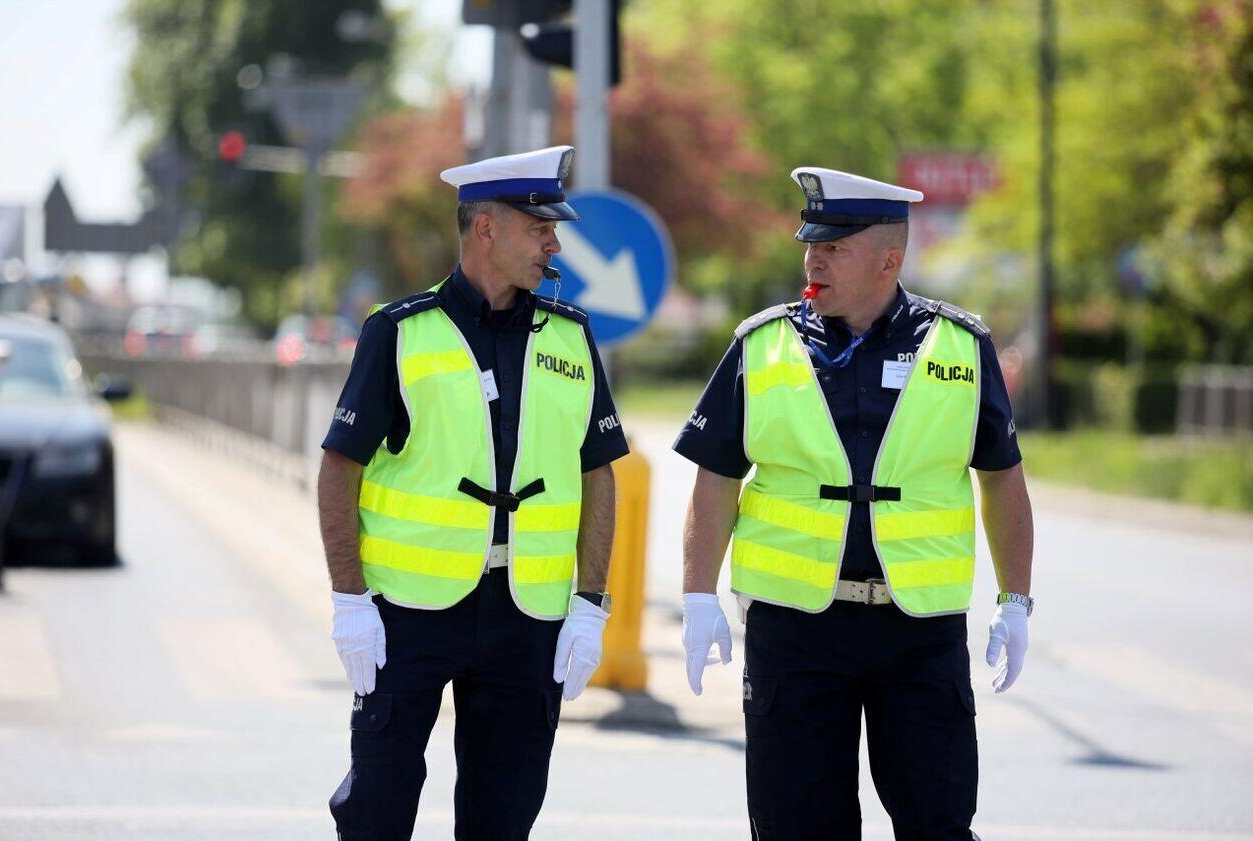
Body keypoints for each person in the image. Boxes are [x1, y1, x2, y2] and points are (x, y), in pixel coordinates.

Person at [675, 167, 1035, 840]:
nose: (812, 260)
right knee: (797, 829)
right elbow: (715, 477)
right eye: (810, 245)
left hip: (919, 631)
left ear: (888, 261)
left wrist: (1015, 601)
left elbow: (1003, 479)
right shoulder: (763, 344)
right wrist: (698, 596)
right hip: (796, 631)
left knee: (938, 825)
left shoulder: (962, 346)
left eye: (833, 248)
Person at [318, 145, 629, 841]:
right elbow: (340, 466)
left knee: (504, 818)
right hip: (409, 613)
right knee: (376, 809)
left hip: (527, 616)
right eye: (539, 228)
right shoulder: (399, 331)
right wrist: (349, 600)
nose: (554, 244)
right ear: (486, 227)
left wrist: (590, 604)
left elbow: (598, 472)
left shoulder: (571, 337)